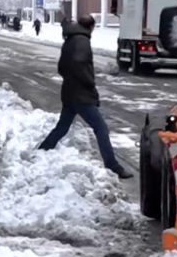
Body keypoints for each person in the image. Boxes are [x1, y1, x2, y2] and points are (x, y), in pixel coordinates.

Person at [37, 15, 133, 179]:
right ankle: (113, 166)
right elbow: (80, 65)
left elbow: (62, 67)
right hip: (81, 95)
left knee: (62, 127)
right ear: (91, 27)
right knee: (101, 128)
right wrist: (89, 83)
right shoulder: (82, 41)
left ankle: (41, 151)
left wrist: (71, 80)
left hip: (69, 92)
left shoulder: (70, 39)